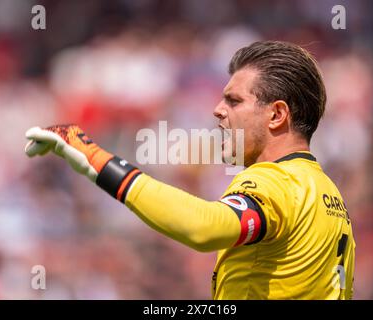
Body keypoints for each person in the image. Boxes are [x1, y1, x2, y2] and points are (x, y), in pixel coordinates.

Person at [24, 41, 355, 300]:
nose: (217, 110)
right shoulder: (327, 194)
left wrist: (96, 161)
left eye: (234, 101)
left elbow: (205, 228)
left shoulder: (275, 181)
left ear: (276, 114)